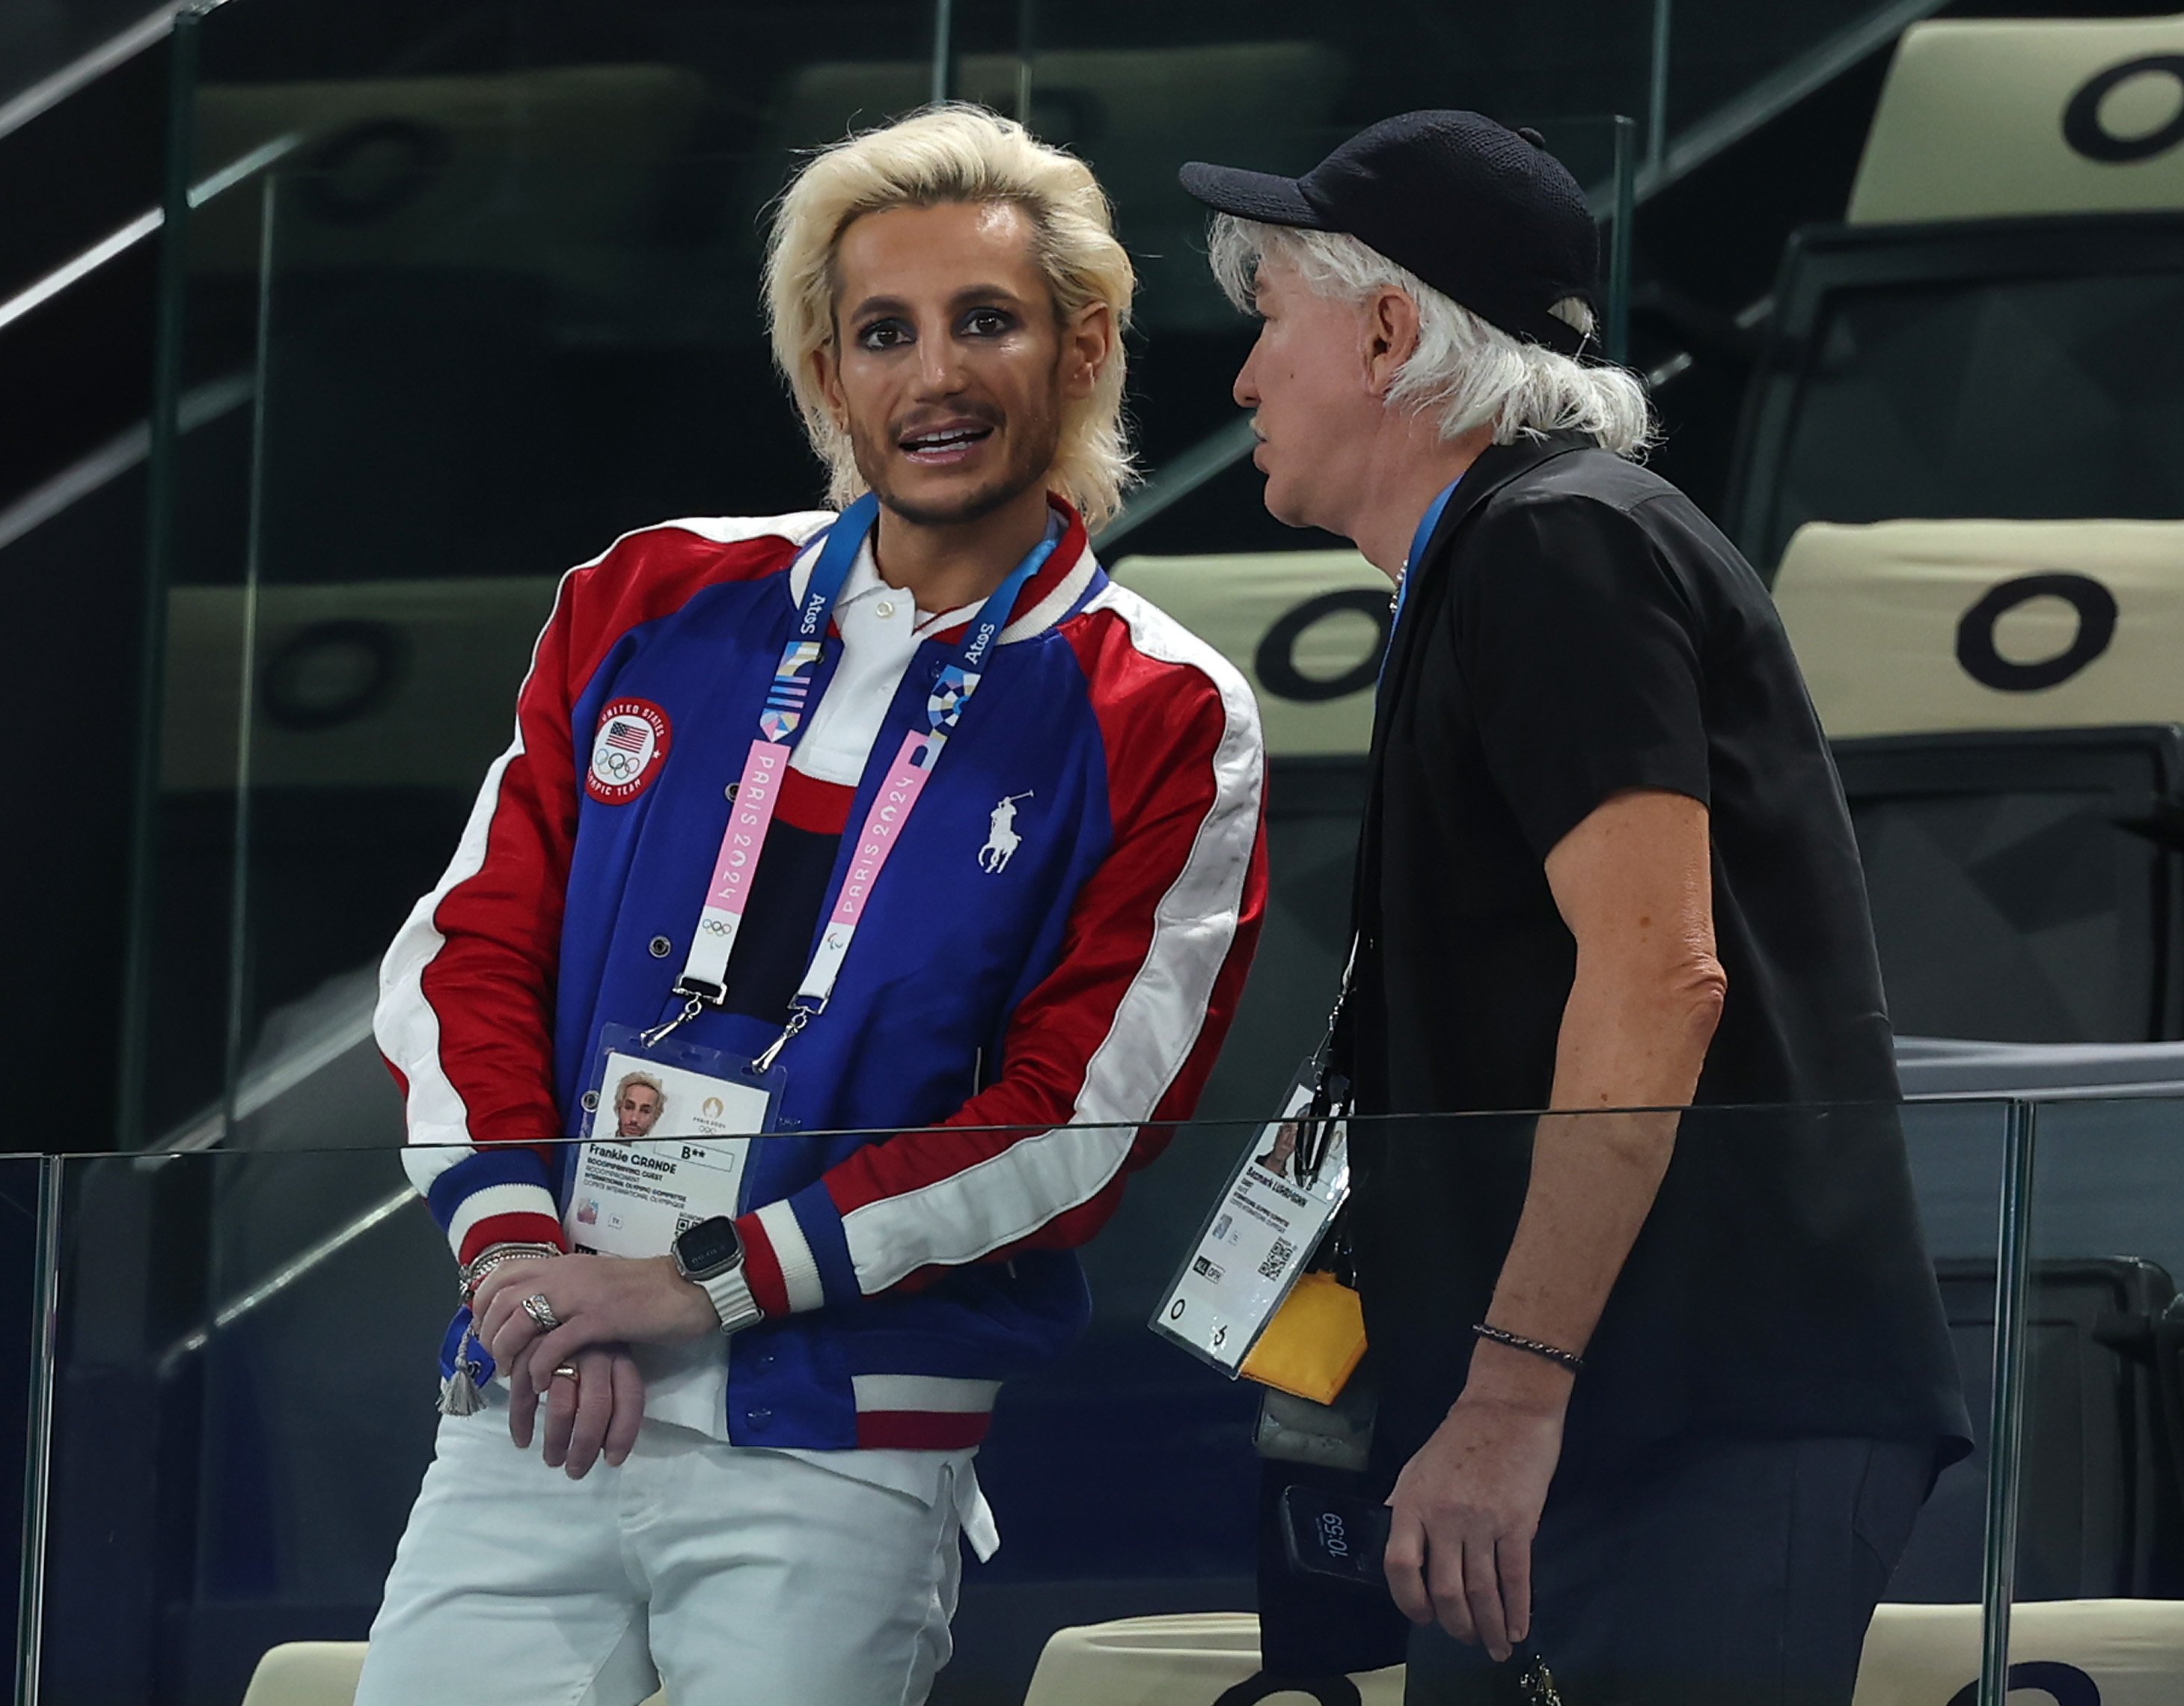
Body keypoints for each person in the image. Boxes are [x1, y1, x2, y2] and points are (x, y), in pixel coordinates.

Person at [358, 106, 1266, 1706]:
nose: (936, 377)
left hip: (843, 1431)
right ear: (825, 375)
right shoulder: (648, 597)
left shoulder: (1163, 709)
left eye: (986, 321)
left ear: (1083, 350)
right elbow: (464, 955)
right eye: (882, 333)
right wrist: (512, 1255)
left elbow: (1075, 1126)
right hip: (539, 1393)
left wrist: (700, 1284)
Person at [1180, 112, 1967, 1706]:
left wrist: (1513, 1394)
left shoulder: (1559, 546)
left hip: (1683, 1413)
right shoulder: (1515, 553)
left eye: (1271, 321)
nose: (1244, 381)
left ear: (1390, 329)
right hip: (1616, 1416)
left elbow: (1657, 969)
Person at [612, 1071, 664, 1139]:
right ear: (619, 1108)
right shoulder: (596, 1141)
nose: (634, 1119)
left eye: (645, 1111)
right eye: (629, 1107)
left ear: (655, 1117)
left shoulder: (660, 1149)